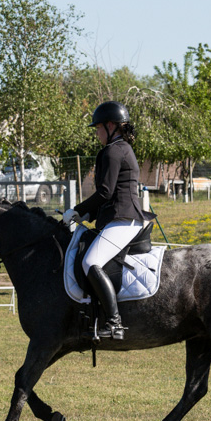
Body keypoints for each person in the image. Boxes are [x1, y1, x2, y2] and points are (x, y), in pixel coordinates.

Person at [62, 101, 147, 340]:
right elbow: (110, 196)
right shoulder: (121, 149)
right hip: (119, 216)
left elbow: (105, 193)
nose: (97, 133)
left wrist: (76, 209)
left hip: (123, 219)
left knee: (90, 261)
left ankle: (114, 323)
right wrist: (86, 216)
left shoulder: (113, 151)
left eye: (98, 128)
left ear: (111, 126)